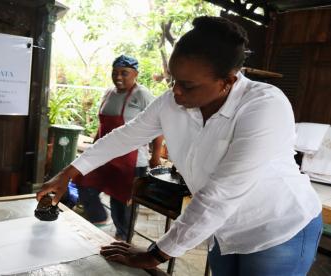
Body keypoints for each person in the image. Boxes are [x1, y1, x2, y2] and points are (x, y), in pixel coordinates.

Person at [38, 16, 322, 275]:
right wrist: (68, 174)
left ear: (227, 82)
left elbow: (220, 194)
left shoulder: (264, 106)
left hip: (279, 228)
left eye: (188, 85)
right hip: (223, 230)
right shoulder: (173, 101)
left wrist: (153, 255)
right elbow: (126, 135)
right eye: (174, 80)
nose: (175, 91)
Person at [74, 55, 163, 241]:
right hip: (103, 154)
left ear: (136, 74)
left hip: (131, 160)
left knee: (121, 201)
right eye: (115, 73)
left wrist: (155, 156)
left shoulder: (142, 95)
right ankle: (98, 218)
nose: (119, 77)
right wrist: (92, 145)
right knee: (83, 182)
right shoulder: (108, 93)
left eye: (124, 73)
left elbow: (158, 126)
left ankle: (123, 238)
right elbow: (102, 125)